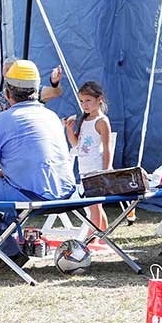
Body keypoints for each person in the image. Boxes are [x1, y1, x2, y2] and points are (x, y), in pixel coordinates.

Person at [0, 60, 75, 270]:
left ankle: (6, 250)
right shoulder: (52, 117)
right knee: (1, 192)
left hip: (31, 194)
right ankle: (0, 248)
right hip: (66, 193)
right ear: (37, 91)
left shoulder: (2, 120)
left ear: (7, 94)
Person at [0, 59, 64, 166]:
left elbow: (55, 92)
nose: (8, 72)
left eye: (11, 69)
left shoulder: (32, 91)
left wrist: (55, 83)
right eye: (6, 70)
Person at [64, 81, 113, 232]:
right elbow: (76, 145)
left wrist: (105, 170)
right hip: (84, 169)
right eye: (81, 101)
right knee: (95, 206)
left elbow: (107, 148)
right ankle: (103, 236)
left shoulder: (102, 121)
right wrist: (69, 130)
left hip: (96, 169)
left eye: (88, 100)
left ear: (99, 99)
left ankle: (91, 235)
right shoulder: (84, 120)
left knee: (94, 206)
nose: (84, 105)